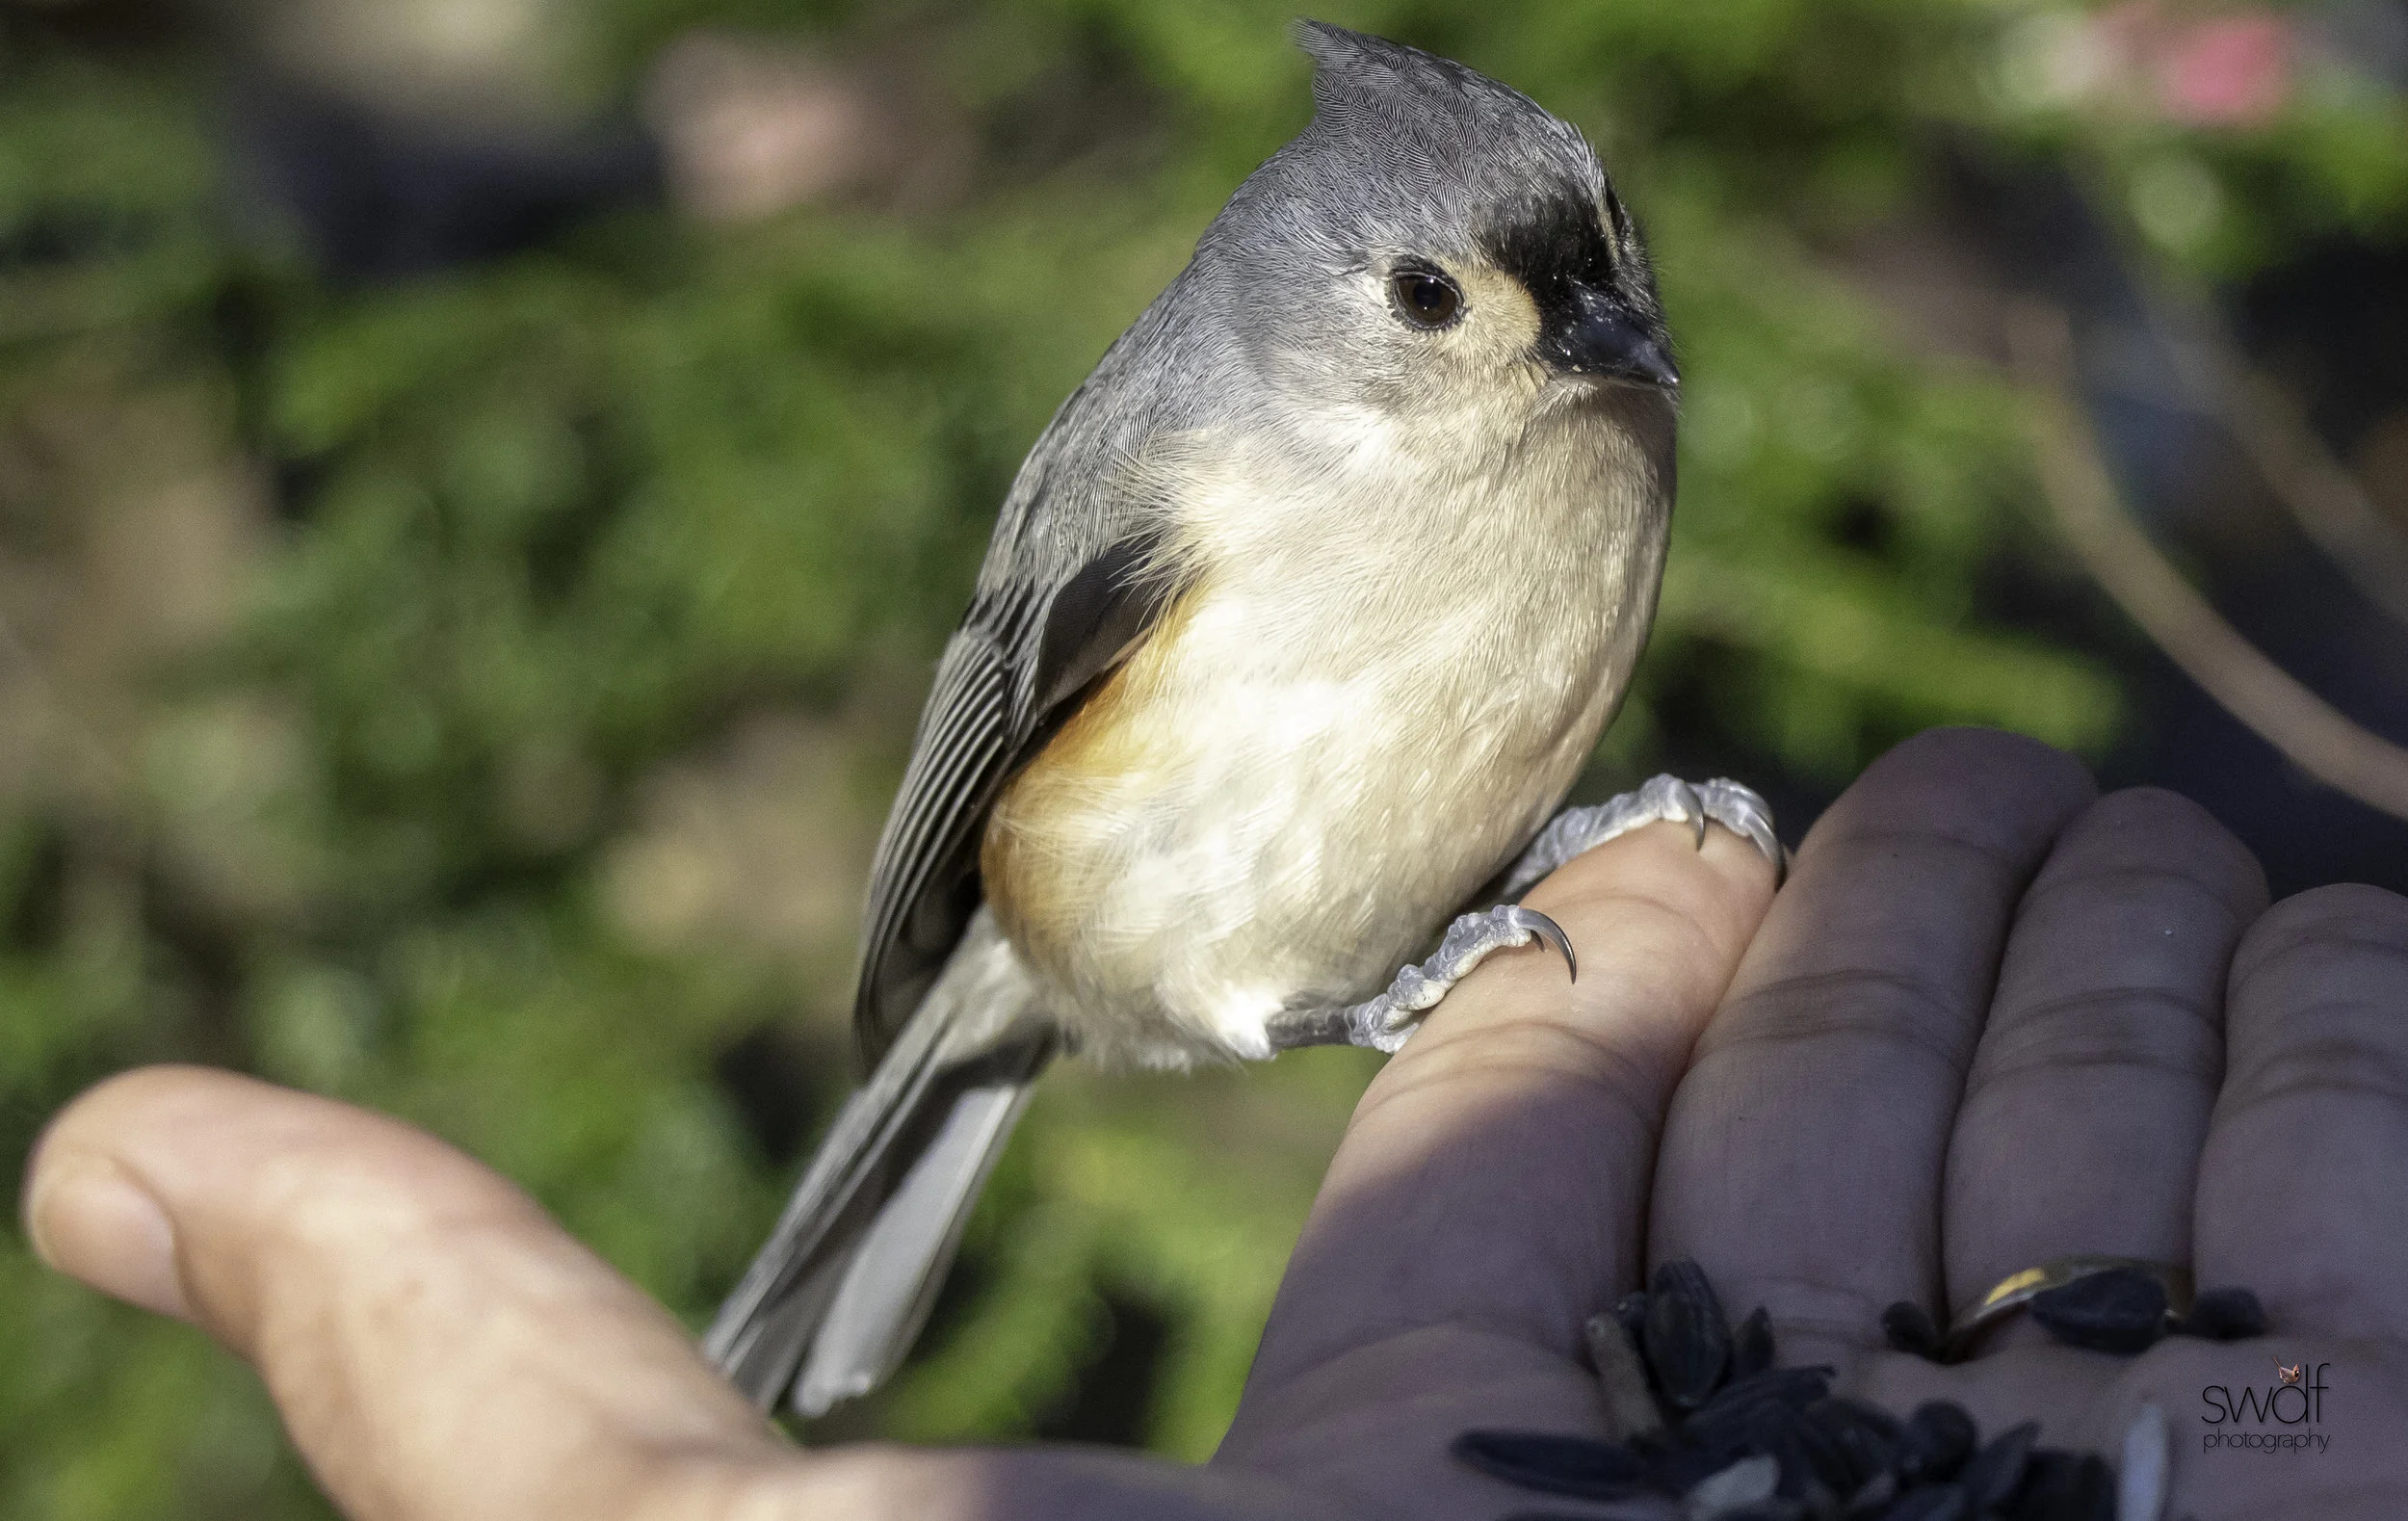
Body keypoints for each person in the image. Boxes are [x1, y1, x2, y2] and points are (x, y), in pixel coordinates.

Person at [20, 729, 2406, 1518]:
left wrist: (2280, 1421)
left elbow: (2224, 1418)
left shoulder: (2278, 1416)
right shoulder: (1215, 448)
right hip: (1103, 918)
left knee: (2258, 1382)